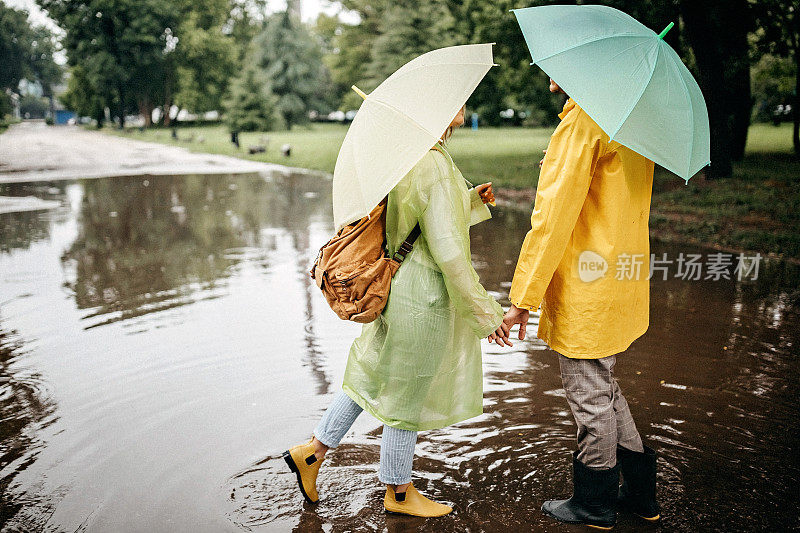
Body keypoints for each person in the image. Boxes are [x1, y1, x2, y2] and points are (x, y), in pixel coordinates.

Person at [284, 104, 506, 517]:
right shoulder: (435, 164)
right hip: (423, 296)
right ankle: (399, 492)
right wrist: (487, 314)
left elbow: (414, 220)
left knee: (371, 374)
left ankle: (311, 453)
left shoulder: (408, 156)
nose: (460, 104)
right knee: (409, 390)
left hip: (394, 287)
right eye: (452, 100)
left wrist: (470, 200)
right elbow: (450, 252)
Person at [492, 78, 660, 530]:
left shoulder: (582, 124)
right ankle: (642, 496)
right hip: (620, 280)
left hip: (589, 287)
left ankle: (595, 503)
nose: (545, 71)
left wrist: (521, 299)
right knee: (605, 388)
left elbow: (550, 222)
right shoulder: (627, 120)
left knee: (590, 398)